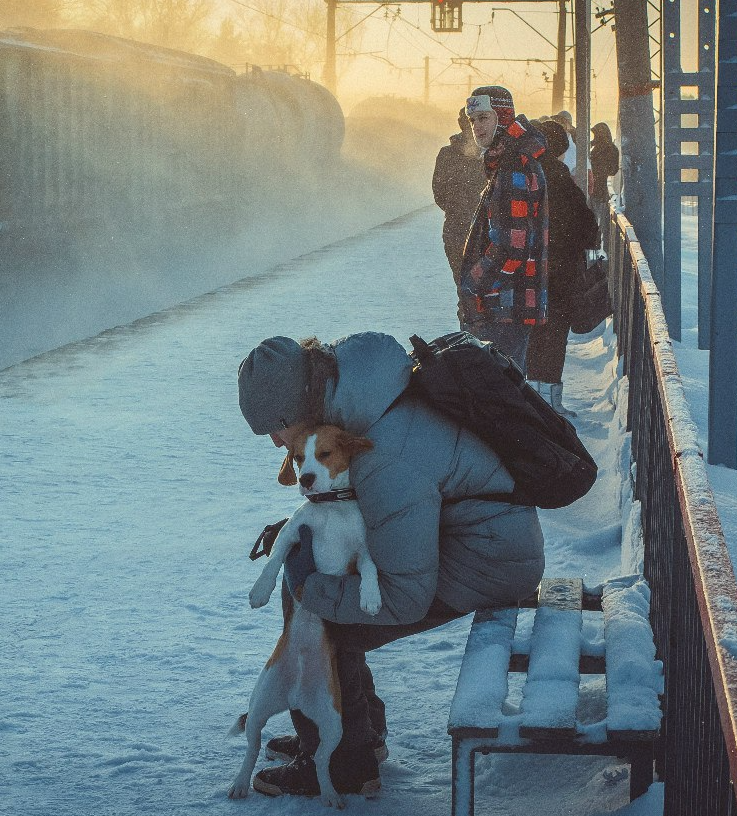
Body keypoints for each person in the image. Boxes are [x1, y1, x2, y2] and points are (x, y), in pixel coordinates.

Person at [236, 333, 545, 798]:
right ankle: (351, 733)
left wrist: (308, 590)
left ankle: (344, 764)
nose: (276, 442)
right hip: (480, 537)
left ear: (297, 410)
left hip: (490, 558)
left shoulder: (383, 453)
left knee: (325, 621)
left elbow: (403, 597)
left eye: (275, 429)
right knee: (317, 572)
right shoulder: (363, 402)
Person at [459, 85, 549, 374]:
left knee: (497, 399)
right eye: (473, 120)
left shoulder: (512, 167)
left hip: (503, 308)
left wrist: (473, 283)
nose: (476, 127)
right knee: (507, 393)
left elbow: (512, 245)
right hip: (512, 304)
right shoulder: (513, 159)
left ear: (503, 117)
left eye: (484, 117)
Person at [527, 120, 600, 416]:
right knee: (555, 335)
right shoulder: (558, 176)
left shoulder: (527, 172)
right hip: (560, 271)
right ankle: (551, 403)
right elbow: (586, 227)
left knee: (534, 335)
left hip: (532, 269)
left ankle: (534, 399)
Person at [432, 107, 486, 308]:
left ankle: (468, 323)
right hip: (486, 228)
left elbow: (438, 192)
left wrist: (456, 209)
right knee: (487, 284)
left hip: (456, 227)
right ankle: (482, 326)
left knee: (463, 284)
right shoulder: (490, 153)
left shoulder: (447, 154)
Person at [588, 122, 621, 209]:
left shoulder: (601, 148)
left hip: (596, 189)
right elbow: (614, 170)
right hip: (600, 190)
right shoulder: (611, 148)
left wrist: (599, 170)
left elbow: (613, 170)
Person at [553, 110, 579, 179]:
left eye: (560, 121)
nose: (557, 123)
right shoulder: (557, 136)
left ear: (566, 123)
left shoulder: (575, 136)